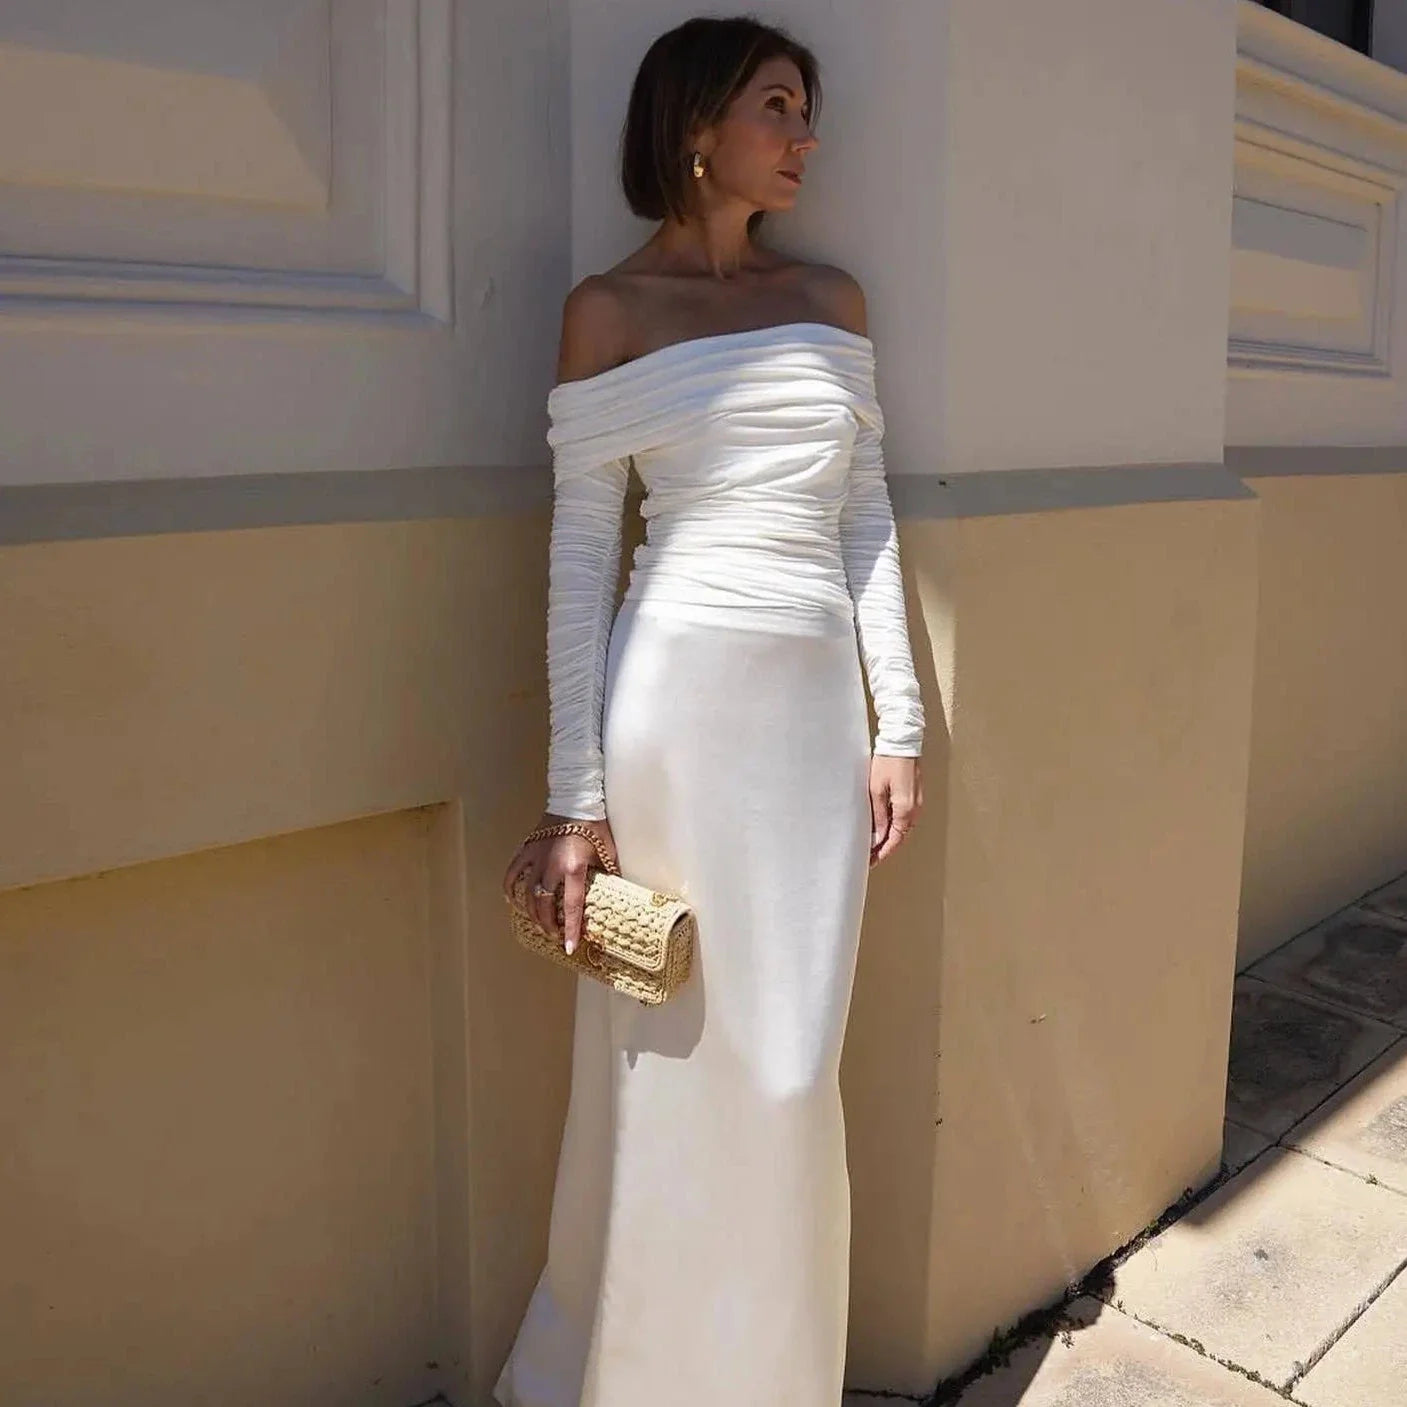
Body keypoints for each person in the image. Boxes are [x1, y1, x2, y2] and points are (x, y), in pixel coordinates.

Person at [495, 16, 925, 1406]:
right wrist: (575, 800)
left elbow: (865, 518)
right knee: (664, 1057)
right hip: (673, 715)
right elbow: (579, 560)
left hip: (812, 724)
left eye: (808, 112)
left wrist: (899, 725)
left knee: (792, 1069)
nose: (806, 139)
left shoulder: (834, 301)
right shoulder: (608, 312)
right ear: (695, 127)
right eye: (778, 107)